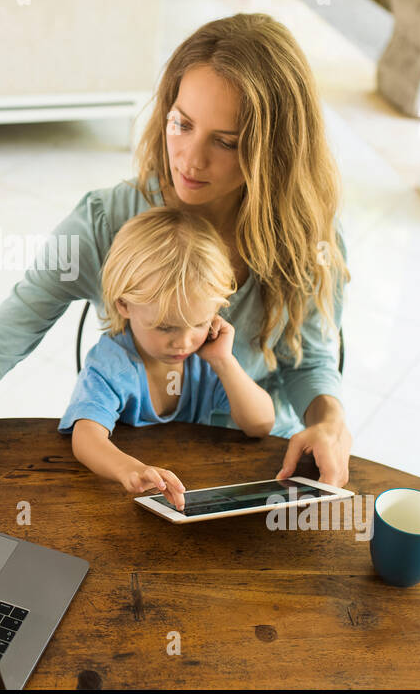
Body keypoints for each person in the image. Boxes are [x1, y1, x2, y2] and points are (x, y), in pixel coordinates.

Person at [0, 12, 352, 554]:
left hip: (253, 484)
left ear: (275, 151)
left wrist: (328, 420)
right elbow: (0, 340)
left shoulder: (306, 239)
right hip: (131, 483)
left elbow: (310, 365)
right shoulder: (105, 222)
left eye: (225, 141)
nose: (189, 158)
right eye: (182, 123)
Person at [61, 206, 276, 512]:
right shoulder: (113, 363)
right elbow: (86, 437)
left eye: (200, 323)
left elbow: (260, 424)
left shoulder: (205, 358)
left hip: (187, 496)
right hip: (118, 501)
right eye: (165, 327)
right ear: (124, 304)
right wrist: (128, 469)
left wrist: (224, 363)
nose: (185, 341)